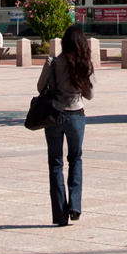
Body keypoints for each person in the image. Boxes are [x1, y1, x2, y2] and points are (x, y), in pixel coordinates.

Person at [36, 25, 95, 225]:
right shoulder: (83, 64)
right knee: (75, 159)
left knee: (55, 163)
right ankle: (75, 206)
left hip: (54, 116)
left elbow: (40, 87)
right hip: (76, 115)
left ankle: (60, 214)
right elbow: (90, 94)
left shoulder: (52, 62)